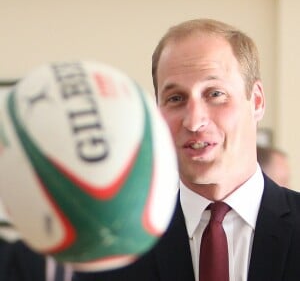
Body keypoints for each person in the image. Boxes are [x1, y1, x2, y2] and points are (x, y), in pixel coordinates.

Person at [73, 19, 300, 281]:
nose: (194, 121)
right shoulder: (114, 253)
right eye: (176, 99)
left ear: (257, 100)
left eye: (215, 94)